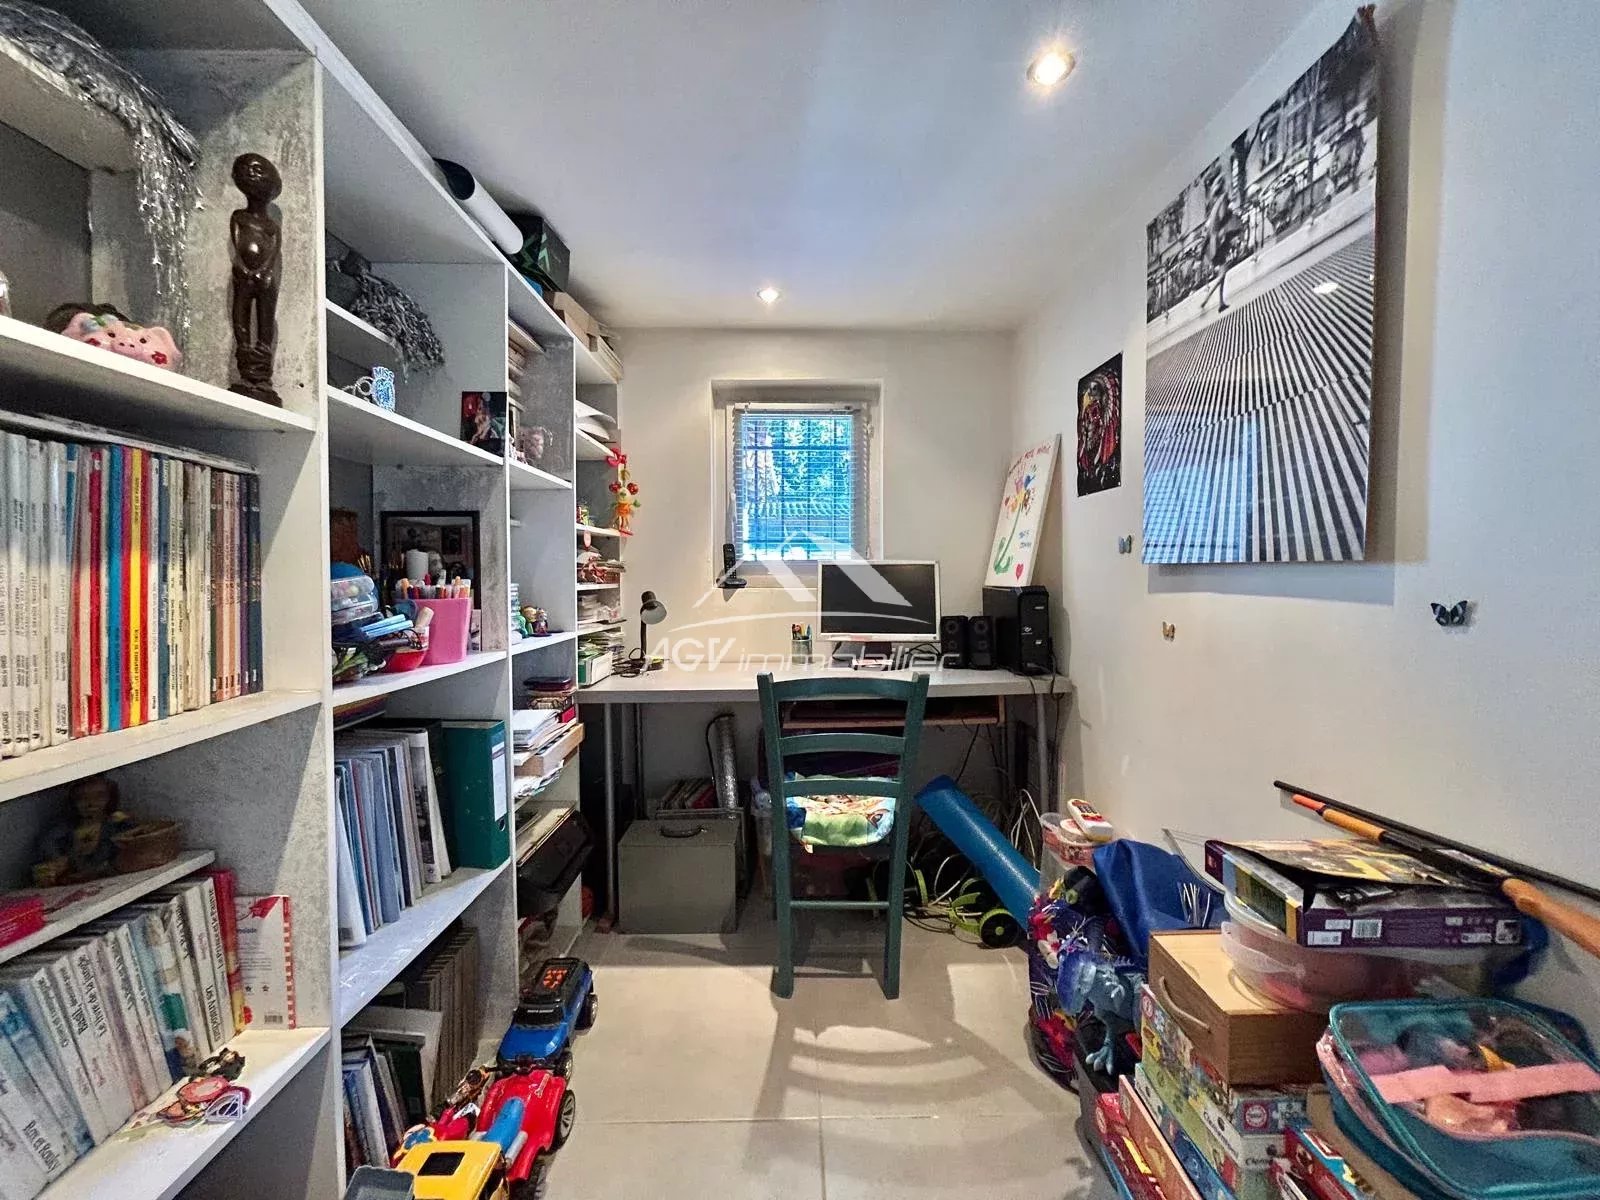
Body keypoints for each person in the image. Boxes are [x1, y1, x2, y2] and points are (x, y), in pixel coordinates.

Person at [1200, 176, 1239, 313]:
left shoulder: (1214, 208)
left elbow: (1208, 232)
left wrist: (1202, 251)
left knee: (1222, 274)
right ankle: (1206, 299)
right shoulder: (1223, 200)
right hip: (1219, 243)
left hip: (1214, 244)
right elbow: (1223, 216)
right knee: (1223, 273)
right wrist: (1230, 211)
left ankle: (1221, 302)